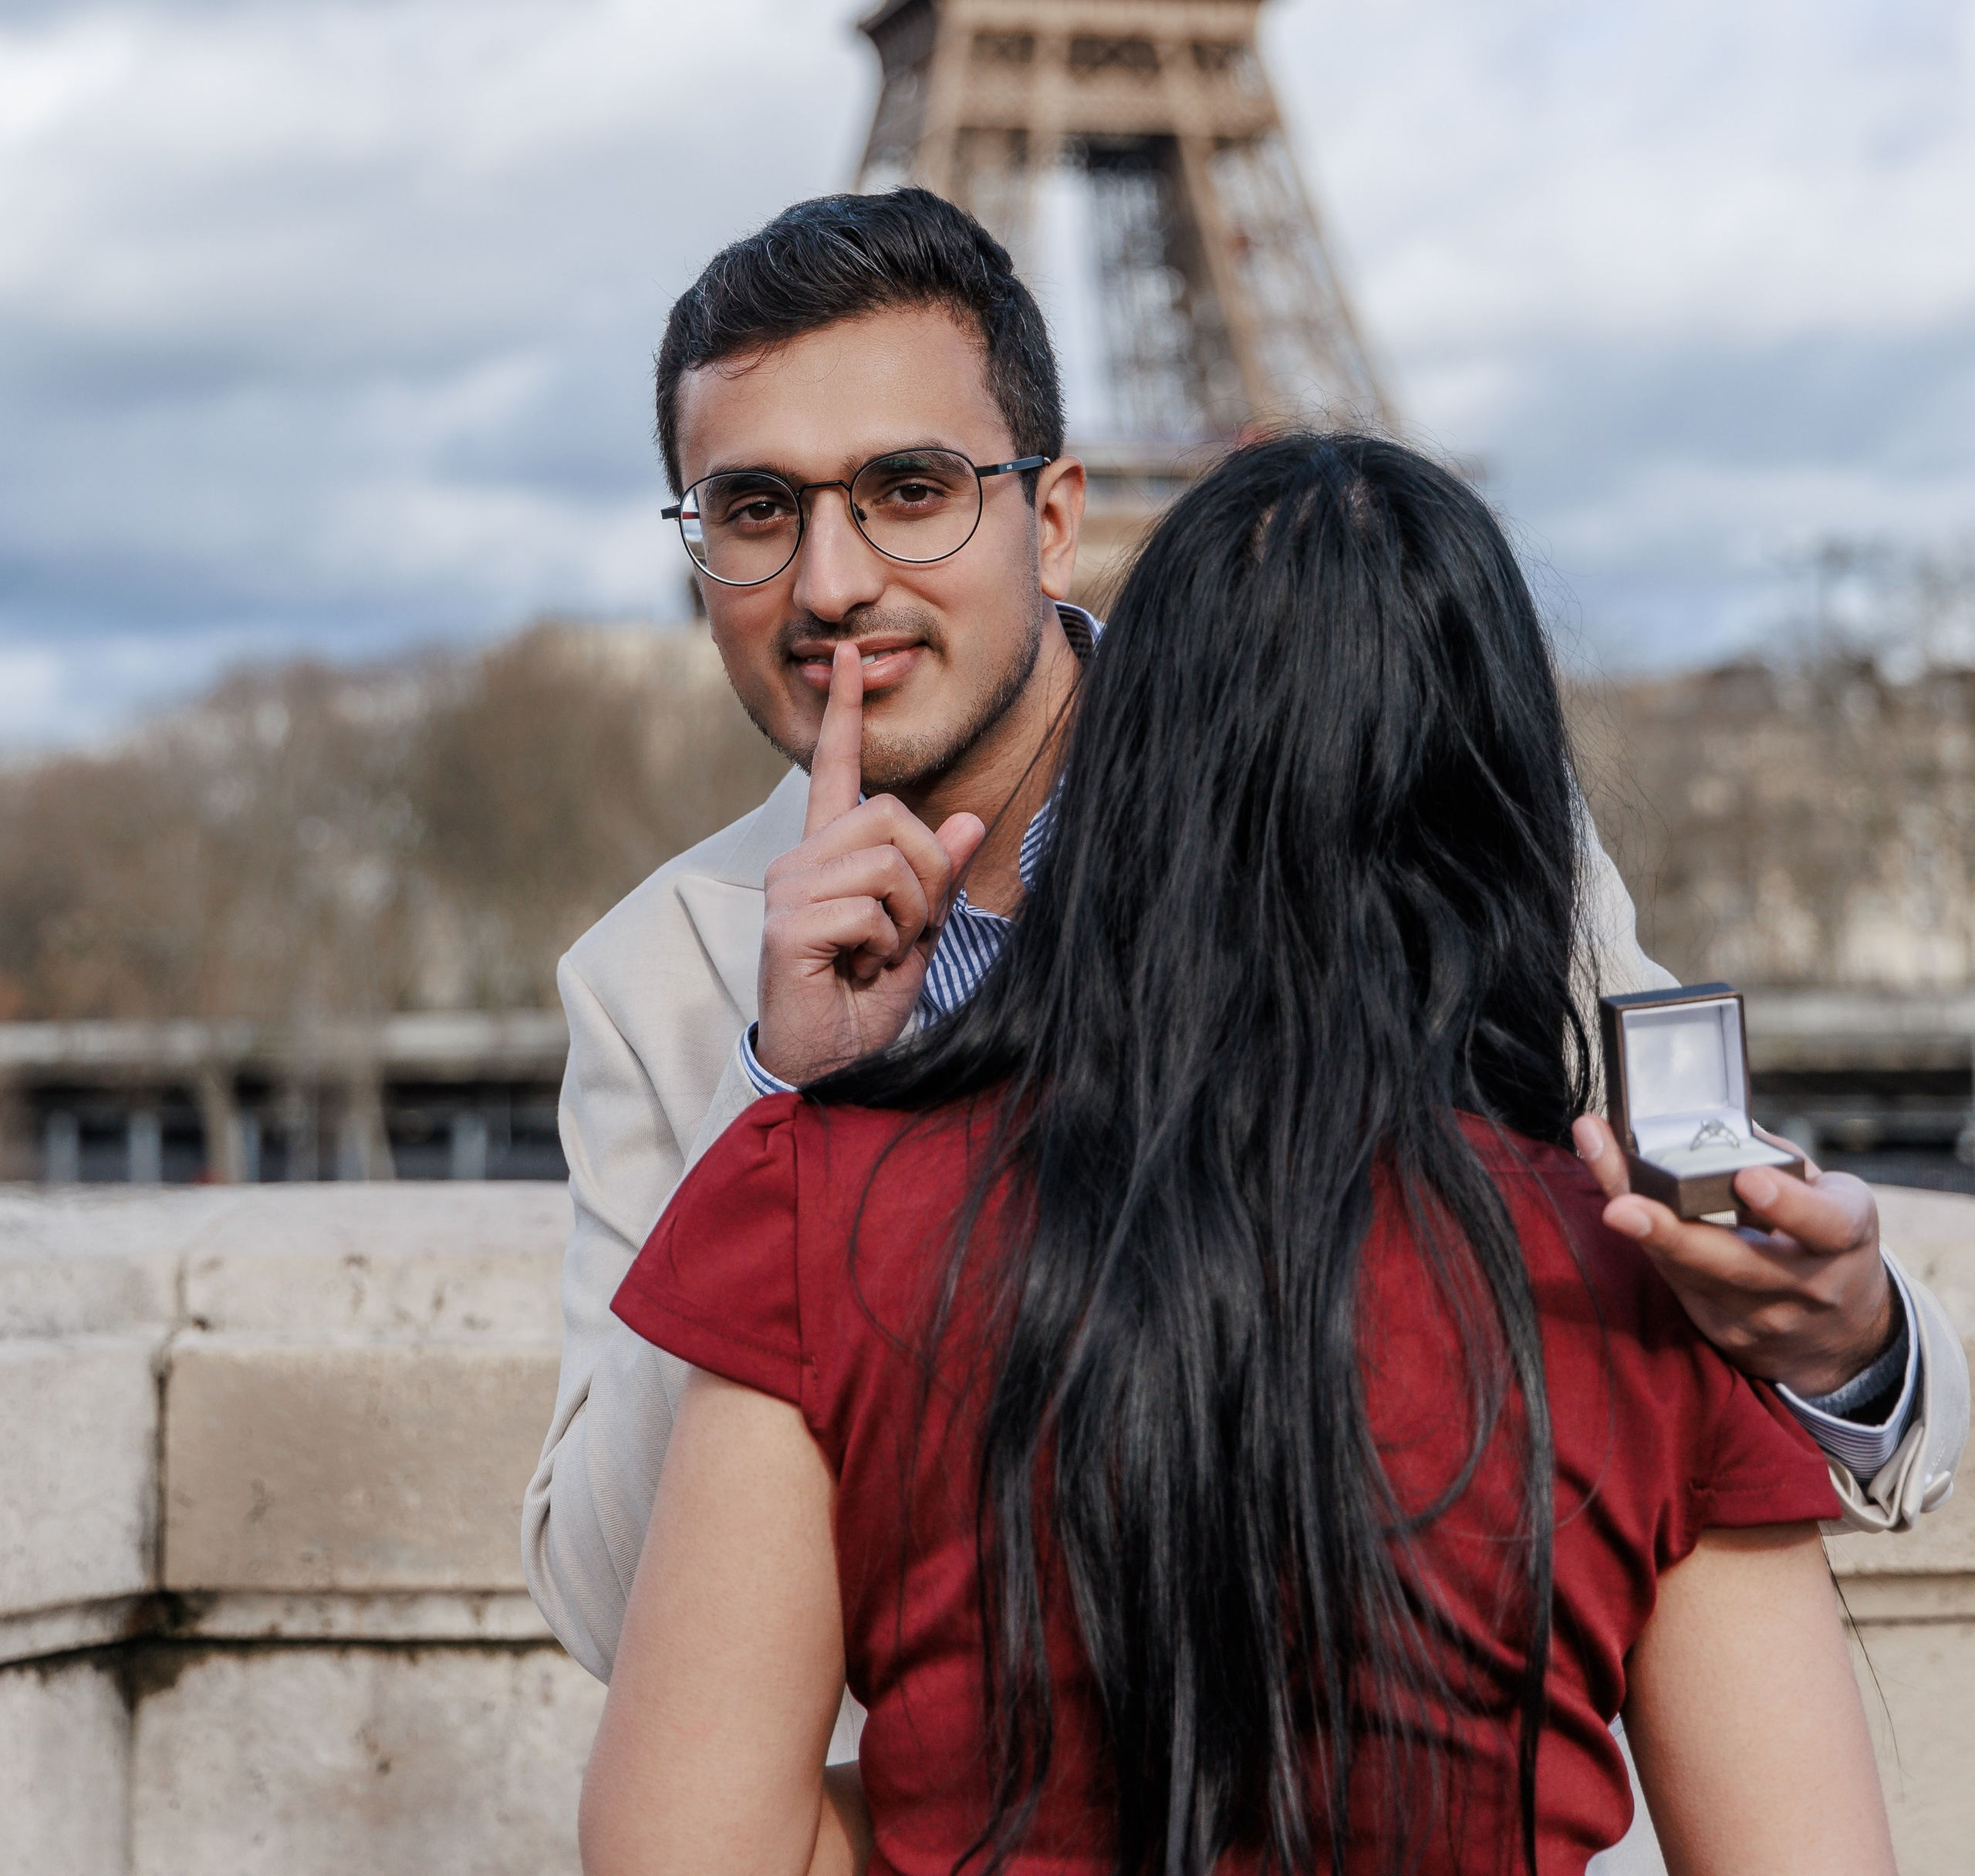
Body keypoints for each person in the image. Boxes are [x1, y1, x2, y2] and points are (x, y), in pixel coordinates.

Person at [524, 191, 1963, 1687]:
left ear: (1058, 518)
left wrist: (1848, 1336)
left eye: (907, 488)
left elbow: (1731, 1299)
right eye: (755, 510)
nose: (827, 582)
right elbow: (613, 1614)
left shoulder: (1399, 794)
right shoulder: (657, 986)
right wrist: (776, 1103)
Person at [581, 433, 1896, 1876]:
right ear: (1512, 802)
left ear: (1123, 768)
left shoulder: (813, 1208)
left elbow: (686, 1852)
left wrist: (947, 1802)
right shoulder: (1650, 1280)